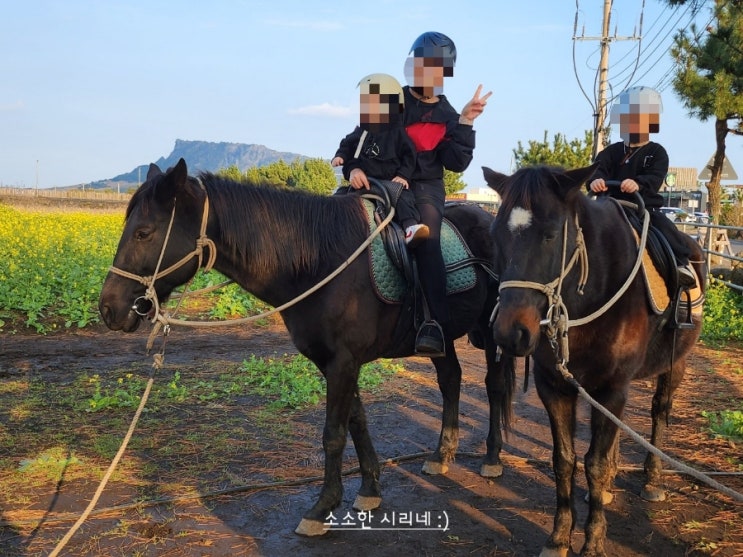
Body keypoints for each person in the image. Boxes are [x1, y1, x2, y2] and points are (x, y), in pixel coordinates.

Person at [401, 31, 491, 356]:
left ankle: (435, 324)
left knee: (426, 239)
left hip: (425, 188)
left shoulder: (449, 116)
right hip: (386, 182)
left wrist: (465, 122)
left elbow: (456, 163)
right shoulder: (391, 103)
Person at [588, 85, 696, 287]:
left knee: (666, 228)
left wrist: (637, 183)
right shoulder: (611, 152)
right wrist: (595, 180)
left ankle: (681, 266)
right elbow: (597, 169)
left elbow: (655, 177)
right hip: (608, 209)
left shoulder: (657, 152)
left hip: (642, 209)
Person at [332, 73, 429, 246]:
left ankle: (410, 228)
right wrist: (340, 156)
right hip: (364, 182)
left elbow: (409, 154)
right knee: (337, 198)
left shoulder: (398, 131)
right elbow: (348, 144)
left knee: (404, 198)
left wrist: (403, 175)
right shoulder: (363, 129)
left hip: (388, 182)